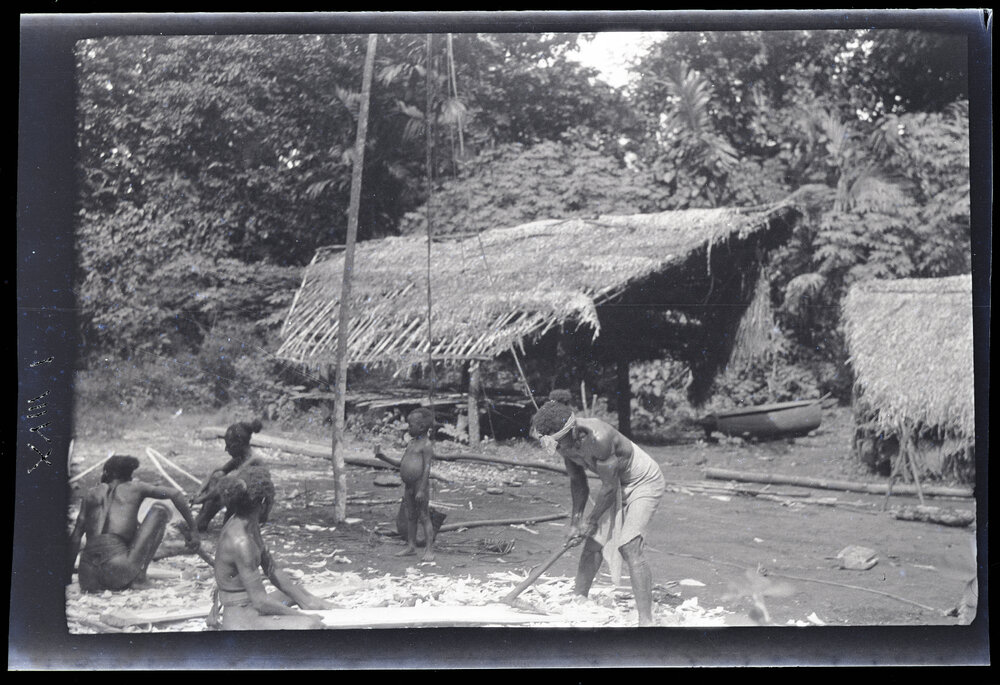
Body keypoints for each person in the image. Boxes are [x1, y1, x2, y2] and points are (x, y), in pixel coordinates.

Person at [531, 399, 666, 626]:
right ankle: (579, 600)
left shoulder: (599, 439)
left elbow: (609, 488)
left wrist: (590, 521)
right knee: (592, 545)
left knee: (629, 545)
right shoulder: (563, 442)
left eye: (557, 443)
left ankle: (646, 622)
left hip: (643, 482)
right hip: (614, 484)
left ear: (573, 432)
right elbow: (578, 481)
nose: (556, 450)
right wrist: (576, 523)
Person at [210, 464, 332, 630]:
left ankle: (347, 612)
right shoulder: (241, 542)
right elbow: (260, 602)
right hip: (243, 619)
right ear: (263, 503)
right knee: (312, 625)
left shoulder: (249, 523)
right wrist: (303, 617)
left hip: (251, 606)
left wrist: (307, 602)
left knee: (298, 593)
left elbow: (272, 569)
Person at [68, 455, 201, 593]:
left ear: (106, 473)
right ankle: (139, 578)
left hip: (88, 576)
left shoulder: (90, 494)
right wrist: (194, 531)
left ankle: (129, 574)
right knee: (159, 511)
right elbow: (176, 494)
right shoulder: (135, 487)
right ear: (129, 475)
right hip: (118, 569)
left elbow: (76, 537)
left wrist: (67, 577)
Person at [193, 419, 265, 532]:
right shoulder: (240, 457)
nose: (226, 449)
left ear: (239, 445)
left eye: (229, 446)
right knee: (218, 475)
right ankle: (202, 520)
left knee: (223, 484)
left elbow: (227, 485)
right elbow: (217, 471)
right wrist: (199, 491)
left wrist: (202, 499)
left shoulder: (253, 460)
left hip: (251, 506)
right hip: (239, 498)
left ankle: (203, 520)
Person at [393, 407, 438, 561]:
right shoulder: (411, 443)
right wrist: (382, 457)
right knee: (411, 516)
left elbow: (426, 468)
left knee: (424, 517)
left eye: (411, 425)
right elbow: (403, 462)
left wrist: (421, 489)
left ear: (422, 427)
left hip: (420, 486)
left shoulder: (426, 445)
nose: (408, 428)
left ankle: (429, 550)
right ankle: (411, 546)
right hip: (409, 486)